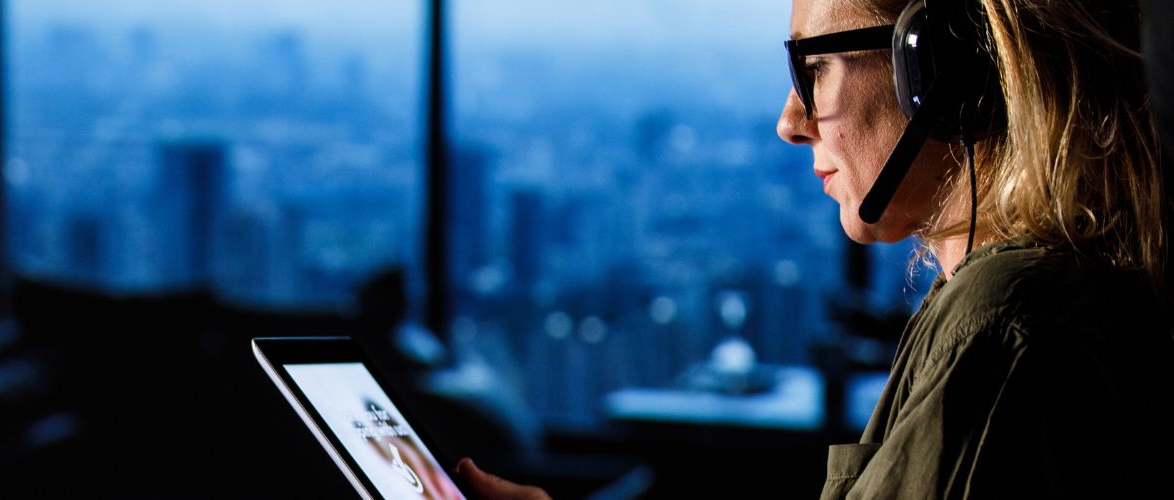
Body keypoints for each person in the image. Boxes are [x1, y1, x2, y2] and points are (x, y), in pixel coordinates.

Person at [460, 0, 1172, 497]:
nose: (790, 120)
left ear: (943, 66)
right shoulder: (1046, 302)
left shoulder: (1004, 326)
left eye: (813, 69)